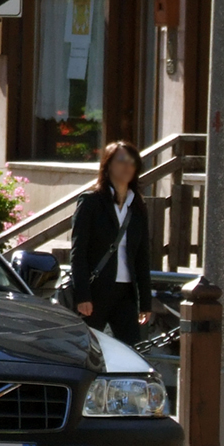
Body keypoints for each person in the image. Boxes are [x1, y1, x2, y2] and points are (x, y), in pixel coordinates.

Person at [70, 140, 152, 346]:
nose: (127, 166)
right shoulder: (91, 202)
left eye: (132, 161)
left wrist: (145, 302)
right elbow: (78, 252)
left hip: (125, 294)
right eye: (121, 160)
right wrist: (82, 296)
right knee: (88, 349)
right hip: (96, 292)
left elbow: (142, 257)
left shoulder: (138, 207)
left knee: (131, 349)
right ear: (108, 165)